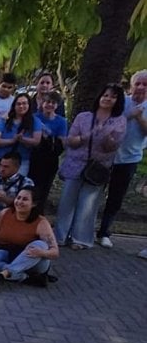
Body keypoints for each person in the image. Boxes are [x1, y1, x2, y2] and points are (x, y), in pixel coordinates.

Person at [55, 84, 126, 250]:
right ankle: (60, 236)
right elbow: (70, 141)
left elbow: (113, 147)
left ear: (118, 101)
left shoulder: (119, 121)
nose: (107, 99)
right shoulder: (83, 117)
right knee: (67, 201)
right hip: (76, 164)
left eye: (112, 96)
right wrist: (86, 136)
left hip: (97, 168)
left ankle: (80, 239)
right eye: (105, 95)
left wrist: (108, 137)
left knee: (87, 205)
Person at [98, 71, 147, 248]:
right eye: (138, 83)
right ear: (131, 86)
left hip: (129, 159)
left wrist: (139, 117)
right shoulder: (122, 101)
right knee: (94, 191)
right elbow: (107, 120)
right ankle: (84, 228)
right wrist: (129, 115)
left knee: (116, 197)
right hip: (106, 156)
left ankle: (104, 232)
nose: (140, 87)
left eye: (145, 84)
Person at [0, 187, 59, 291]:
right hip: (10, 254)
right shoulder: (4, 213)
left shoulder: (41, 222)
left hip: (34, 261)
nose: (19, 202)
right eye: (18, 198)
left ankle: (4, 275)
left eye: (25, 199)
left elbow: (55, 252)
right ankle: (26, 278)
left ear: (34, 204)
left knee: (41, 244)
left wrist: (41, 253)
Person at [29, 91, 68, 209]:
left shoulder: (61, 121)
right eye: (47, 101)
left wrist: (49, 137)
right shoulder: (34, 117)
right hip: (34, 156)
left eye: (53, 102)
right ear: (41, 103)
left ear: (57, 105)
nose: (49, 104)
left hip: (50, 159)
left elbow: (62, 142)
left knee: (43, 189)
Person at [0, 92, 41, 175]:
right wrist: (12, 140)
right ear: (14, 106)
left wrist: (23, 139)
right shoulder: (4, 120)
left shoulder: (35, 121)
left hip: (21, 162)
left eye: (24, 103)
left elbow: (36, 141)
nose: (21, 106)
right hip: (0, 159)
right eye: (18, 104)